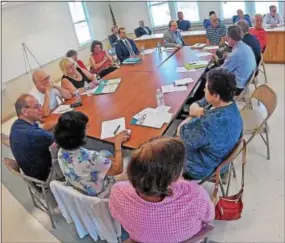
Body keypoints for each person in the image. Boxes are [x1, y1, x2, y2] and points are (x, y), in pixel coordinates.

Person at [109, 137, 214, 243]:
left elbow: (116, 215)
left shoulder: (118, 191)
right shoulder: (196, 195)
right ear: (173, 176)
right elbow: (209, 218)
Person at [177, 69, 243, 180]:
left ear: (216, 95)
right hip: (218, 157)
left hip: (202, 167)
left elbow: (182, 134)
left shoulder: (211, 123)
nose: (203, 90)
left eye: (206, 88)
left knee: (163, 149)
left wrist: (188, 119)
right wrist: (196, 112)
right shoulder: (227, 103)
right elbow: (197, 104)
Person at [54, 111, 130, 198]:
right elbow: (118, 170)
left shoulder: (61, 151)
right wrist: (117, 144)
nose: (87, 128)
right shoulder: (91, 157)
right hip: (101, 192)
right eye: (85, 128)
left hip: (80, 187)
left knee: (104, 153)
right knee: (129, 160)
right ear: (80, 135)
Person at [9, 94, 56, 181]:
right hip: (48, 177)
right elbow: (61, 140)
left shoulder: (17, 125)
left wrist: (59, 120)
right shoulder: (34, 135)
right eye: (36, 107)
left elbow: (42, 127)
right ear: (24, 111)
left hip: (33, 173)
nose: (40, 110)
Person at [222, 25, 256, 94]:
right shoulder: (246, 47)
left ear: (230, 38)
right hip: (245, 80)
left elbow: (222, 71)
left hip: (238, 87)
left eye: (227, 38)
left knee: (213, 79)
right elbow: (237, 57)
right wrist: (229, 56)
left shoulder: (235, 54)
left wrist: (208, 73)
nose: (227, 39)